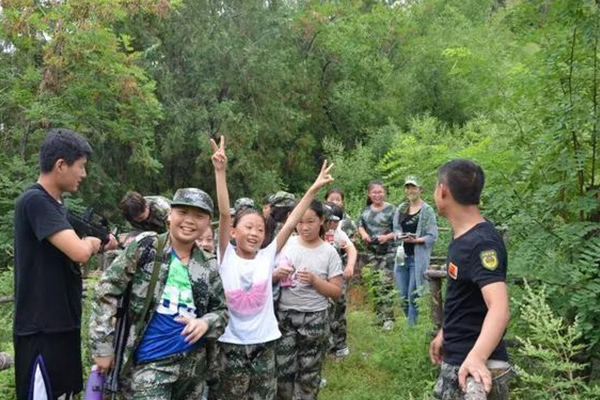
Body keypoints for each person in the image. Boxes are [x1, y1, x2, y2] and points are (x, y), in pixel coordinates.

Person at [212, 136, 335, 400]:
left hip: (265, 343)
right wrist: (220, 172)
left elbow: (291, 221)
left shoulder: (267, 256)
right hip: (231, 345)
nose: (255, 233)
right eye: (248, 227)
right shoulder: (226, 256)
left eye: (259, 229)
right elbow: (224, 213)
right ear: (233, 232)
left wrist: (313, 189)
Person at [90, 188, 228, 400]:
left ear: (208, 222)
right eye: (183, 212)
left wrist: (205, 323)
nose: (190, 221)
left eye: (199, 216)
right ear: (169, 215)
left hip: (193, 368)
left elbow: (221, 311)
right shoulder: (147, 247)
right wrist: (102, 347)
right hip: (150, 363)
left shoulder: (207, 265)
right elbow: (106, 291)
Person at [13, 128, 117, 400]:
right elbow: (80, 252)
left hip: (63, 327)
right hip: (41, 332)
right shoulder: (35, 200)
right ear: (60, 165)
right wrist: (94, 243)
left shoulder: (58, 207)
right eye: (81, 166)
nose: (84, 174)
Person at [429, 160, 511, 400]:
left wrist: (476, 357)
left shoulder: (481, 243)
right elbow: (469, 299)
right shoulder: (465, 237)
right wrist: (446, 332)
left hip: (474, 366)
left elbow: (500, 308)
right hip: (457, 355)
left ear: (443, 190)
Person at [274, 200, 343, 400]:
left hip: (315, 318)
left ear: (321, 220)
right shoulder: (287, 244)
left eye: (311, 221)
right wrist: (278, 274)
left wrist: (315, 281)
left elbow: (336, 292)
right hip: (285, 315)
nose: (304, 227)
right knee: (283, 370)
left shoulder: (329, 252)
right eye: (300, 222)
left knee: (309, 372)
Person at [393, 176, 438, 326]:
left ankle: (411, 330)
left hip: (417, 259)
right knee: (402, 296)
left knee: (413, 295)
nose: (410, 190)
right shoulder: (402, 208)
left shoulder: (427, 211)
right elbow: (396, 229)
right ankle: (410, 323)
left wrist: (416, 240)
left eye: (413, 187)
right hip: (401, 258)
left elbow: (432, 236)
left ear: (420, 190)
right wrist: (401, 236)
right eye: (407, 187)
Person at [357, 181, 397, 329]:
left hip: (388, 252)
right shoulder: (366, 210)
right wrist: (364, 235)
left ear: (384, 193)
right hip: (372, 252)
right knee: (374, 283)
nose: (377, 195)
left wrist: (387, 237)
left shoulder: (392, 209)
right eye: (374, 192)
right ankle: (379, 316)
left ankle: (389, 318)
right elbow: (360, 225)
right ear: (369, 194)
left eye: (380, 192)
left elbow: (398, 231)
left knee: (386, 284)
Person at [324, 203, 357, 358]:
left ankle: (340, 345)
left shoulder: (339, 234)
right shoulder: (314, 231)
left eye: (337, 221)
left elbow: (351, 249)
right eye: (330, 220)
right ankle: (325, 346)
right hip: (318, 278)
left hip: (336, 277)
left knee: (339, 308)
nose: (333, 224)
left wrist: (350, 265)